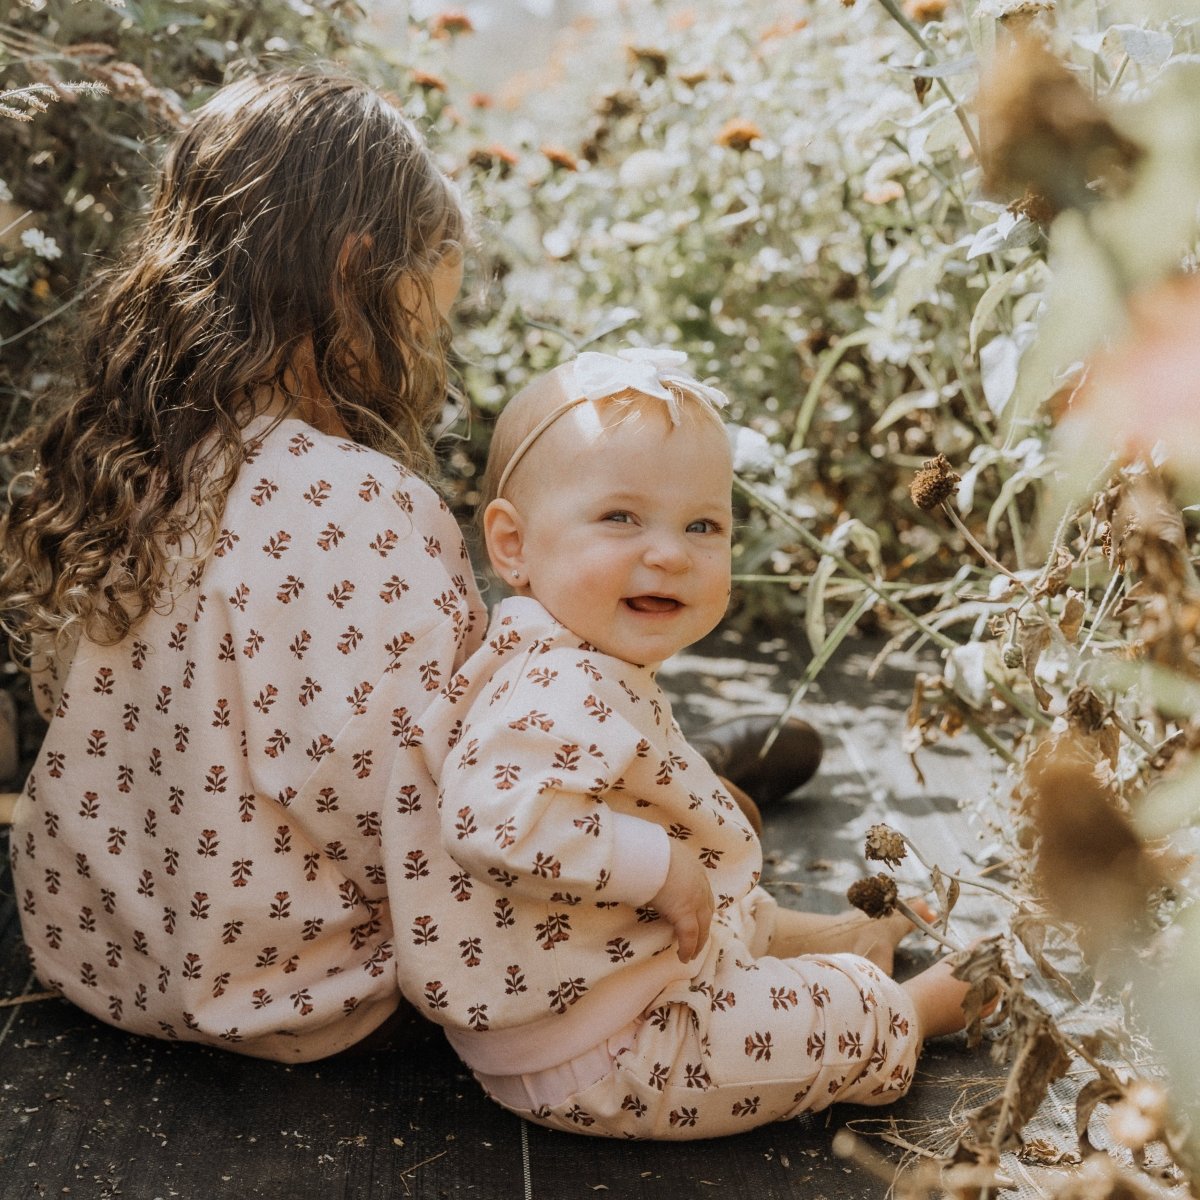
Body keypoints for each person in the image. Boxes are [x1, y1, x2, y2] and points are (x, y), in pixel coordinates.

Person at [0, 67, 488, 1060]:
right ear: (359, 271)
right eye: (432, 314)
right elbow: (412, 805)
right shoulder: (361, 502)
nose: (435, 348)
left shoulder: (136, 458)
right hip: (288, 988)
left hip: (103, 948)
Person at [400, 348, 975, 1139]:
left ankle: (848, 937)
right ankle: (907, 1009)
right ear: (513, 546)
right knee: (784, 1030)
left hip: (600, 977)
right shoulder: (556, 686)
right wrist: (660, 866)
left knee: (717, 905)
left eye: (703, 524)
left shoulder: (572, 657)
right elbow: (495, 824)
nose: (670, 552)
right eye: (620, 517)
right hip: (612, 1052)